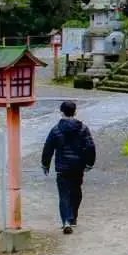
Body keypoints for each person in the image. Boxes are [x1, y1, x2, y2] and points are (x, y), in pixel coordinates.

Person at [41, 100, 96, 234]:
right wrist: (90, 163)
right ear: (75, 112)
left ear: (61, 112)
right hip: (78, 166)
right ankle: (73, 218)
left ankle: (66, 220)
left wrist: (45, 164)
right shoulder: (83, 129)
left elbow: (48, 148)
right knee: (76, 191)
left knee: (64, 194)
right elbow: (90, 146)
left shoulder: (56, 129)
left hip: (62, 167)